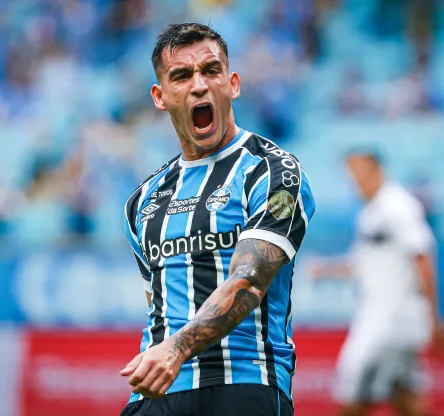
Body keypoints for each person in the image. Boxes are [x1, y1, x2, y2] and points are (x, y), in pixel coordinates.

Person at [119, 23, 316, 416]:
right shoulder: (142, 201)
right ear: (160, 96)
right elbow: (157, 304)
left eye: (210, 70)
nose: (199, 85)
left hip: (244, 387)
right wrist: (165, 356)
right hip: (157, 396)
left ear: (233, 83)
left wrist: (177, 349)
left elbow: (249, 282)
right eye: (181, 75)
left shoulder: (274, 172)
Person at [309, 149, 444, 416]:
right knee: (404, 392)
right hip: (387, 316)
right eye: (350, 175)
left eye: (358, 173)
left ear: (376, 170)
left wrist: (435, 317)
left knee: (353, 387)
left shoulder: (397, 205)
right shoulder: (371, 213)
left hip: (390, 318)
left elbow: (423, 256)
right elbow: (364, 265)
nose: (354, 181)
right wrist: (326, 270)